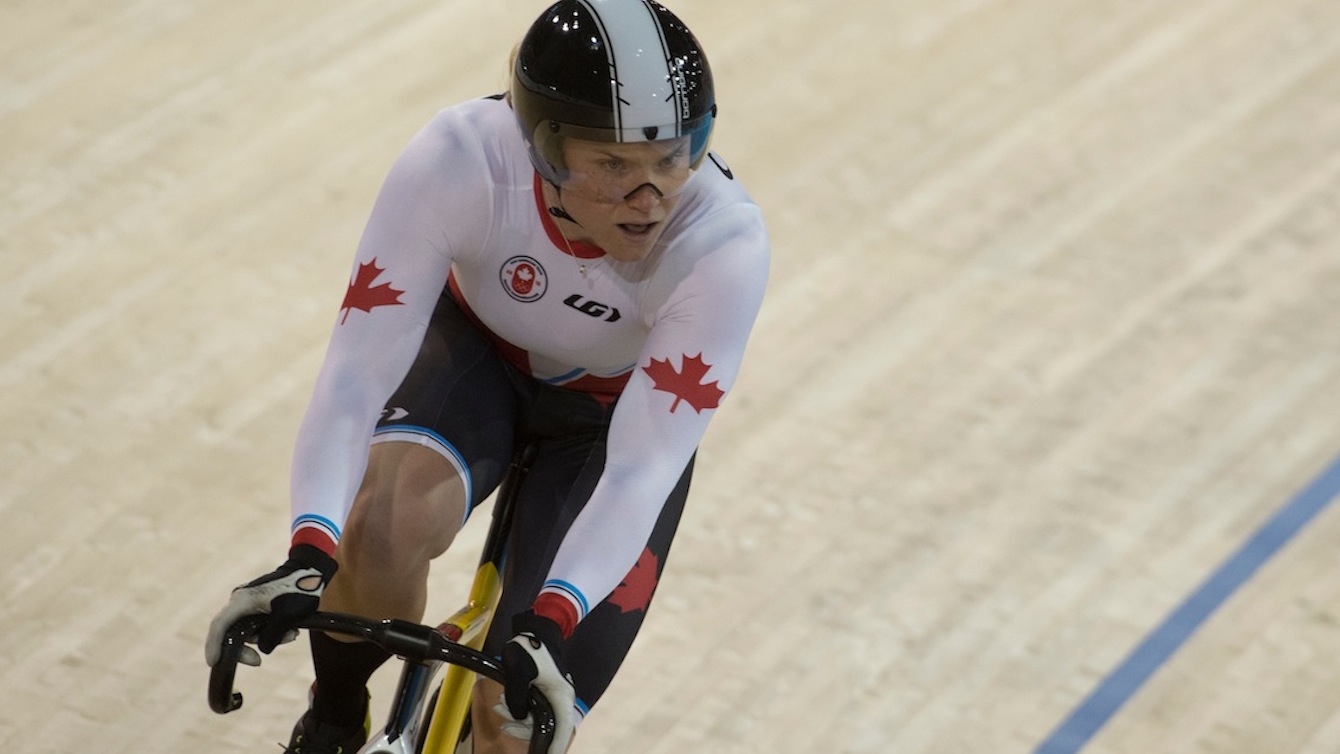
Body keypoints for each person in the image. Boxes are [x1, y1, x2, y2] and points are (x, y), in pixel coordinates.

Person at [204, 0, 769, 751]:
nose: (651, 197)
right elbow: (353, 376)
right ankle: (336, 715)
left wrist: (553, 620)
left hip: (609, 419)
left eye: (673, 156)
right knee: (379, 533)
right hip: (475, 356)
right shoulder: (460, 158)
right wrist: (310, 551)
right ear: (544, 149)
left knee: (514, 719)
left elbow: (642, 468)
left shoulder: (723, 243)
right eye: (613, 165)